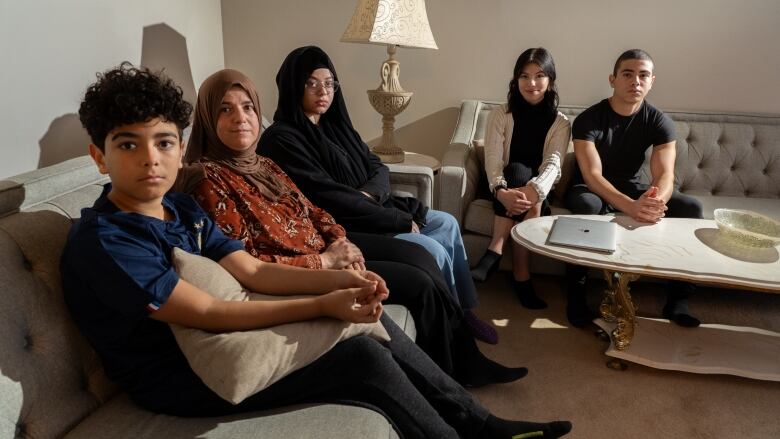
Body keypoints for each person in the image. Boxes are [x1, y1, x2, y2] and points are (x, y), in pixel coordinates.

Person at [62, 63, 571, 439]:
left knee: (372, 320)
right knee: (362, 360)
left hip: (225, 337)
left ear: (179, 143)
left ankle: (479, 423)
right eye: (129, 145)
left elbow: (255, 272)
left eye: (165, 142)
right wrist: (323, 303)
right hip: (180, 377)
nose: (152, 160)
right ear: (98, 157)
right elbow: (212, 312)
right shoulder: (107, 240)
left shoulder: (181, 214)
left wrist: (341, 282)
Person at [175, 68, 525, 383]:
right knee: (418, 282)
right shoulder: (208, 180)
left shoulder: (263, 163)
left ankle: (466, 354)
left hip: (328, 246)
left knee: (420, 257)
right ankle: (456, 370)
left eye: (248, 107)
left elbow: (312, 210)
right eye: (225, 109)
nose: (241, 118)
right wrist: (326, 262)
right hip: (304, 270)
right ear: (207, 117)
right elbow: (249, 260)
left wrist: (340, 241)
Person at [258, 46, 498, 344]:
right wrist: (393, 219)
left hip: (376, 208)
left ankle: (464, 310)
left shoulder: (336, 126)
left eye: (329, 83)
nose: (323, 91)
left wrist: (369, 194)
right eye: (311, 83)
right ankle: (453, 325)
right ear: (293, 85)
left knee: (447, 223)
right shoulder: (283, 138)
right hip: (352, 224)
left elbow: (378, 167)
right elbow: (328, 197)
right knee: (431, 250)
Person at [564, 49, 703, 327]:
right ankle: (575, 298)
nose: (635, 81)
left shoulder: (659, 121)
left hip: (632, 185)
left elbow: (665, 173)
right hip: (590, 187)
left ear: (652, 81)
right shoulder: (588, 119)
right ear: (613, 79)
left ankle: (678, 300)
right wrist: (631, 206)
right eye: (628, 74)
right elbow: (592, 175)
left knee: (691, 207)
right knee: (587, 205)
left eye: (643, 75)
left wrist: (654, 201)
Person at [470, 48, 571, 310]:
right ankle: (521, 278)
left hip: (538, 192)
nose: (532, 83)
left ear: (550, 81)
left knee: (527, 177)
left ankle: (495, 250)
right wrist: (501, 191)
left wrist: (534, 189)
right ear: (516, 80)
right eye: (524, 76)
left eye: (539, 76)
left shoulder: (561, 123)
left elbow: (553, 164)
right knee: (515, 170)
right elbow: (493, 159)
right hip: (501, 187)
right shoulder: (500, 114)